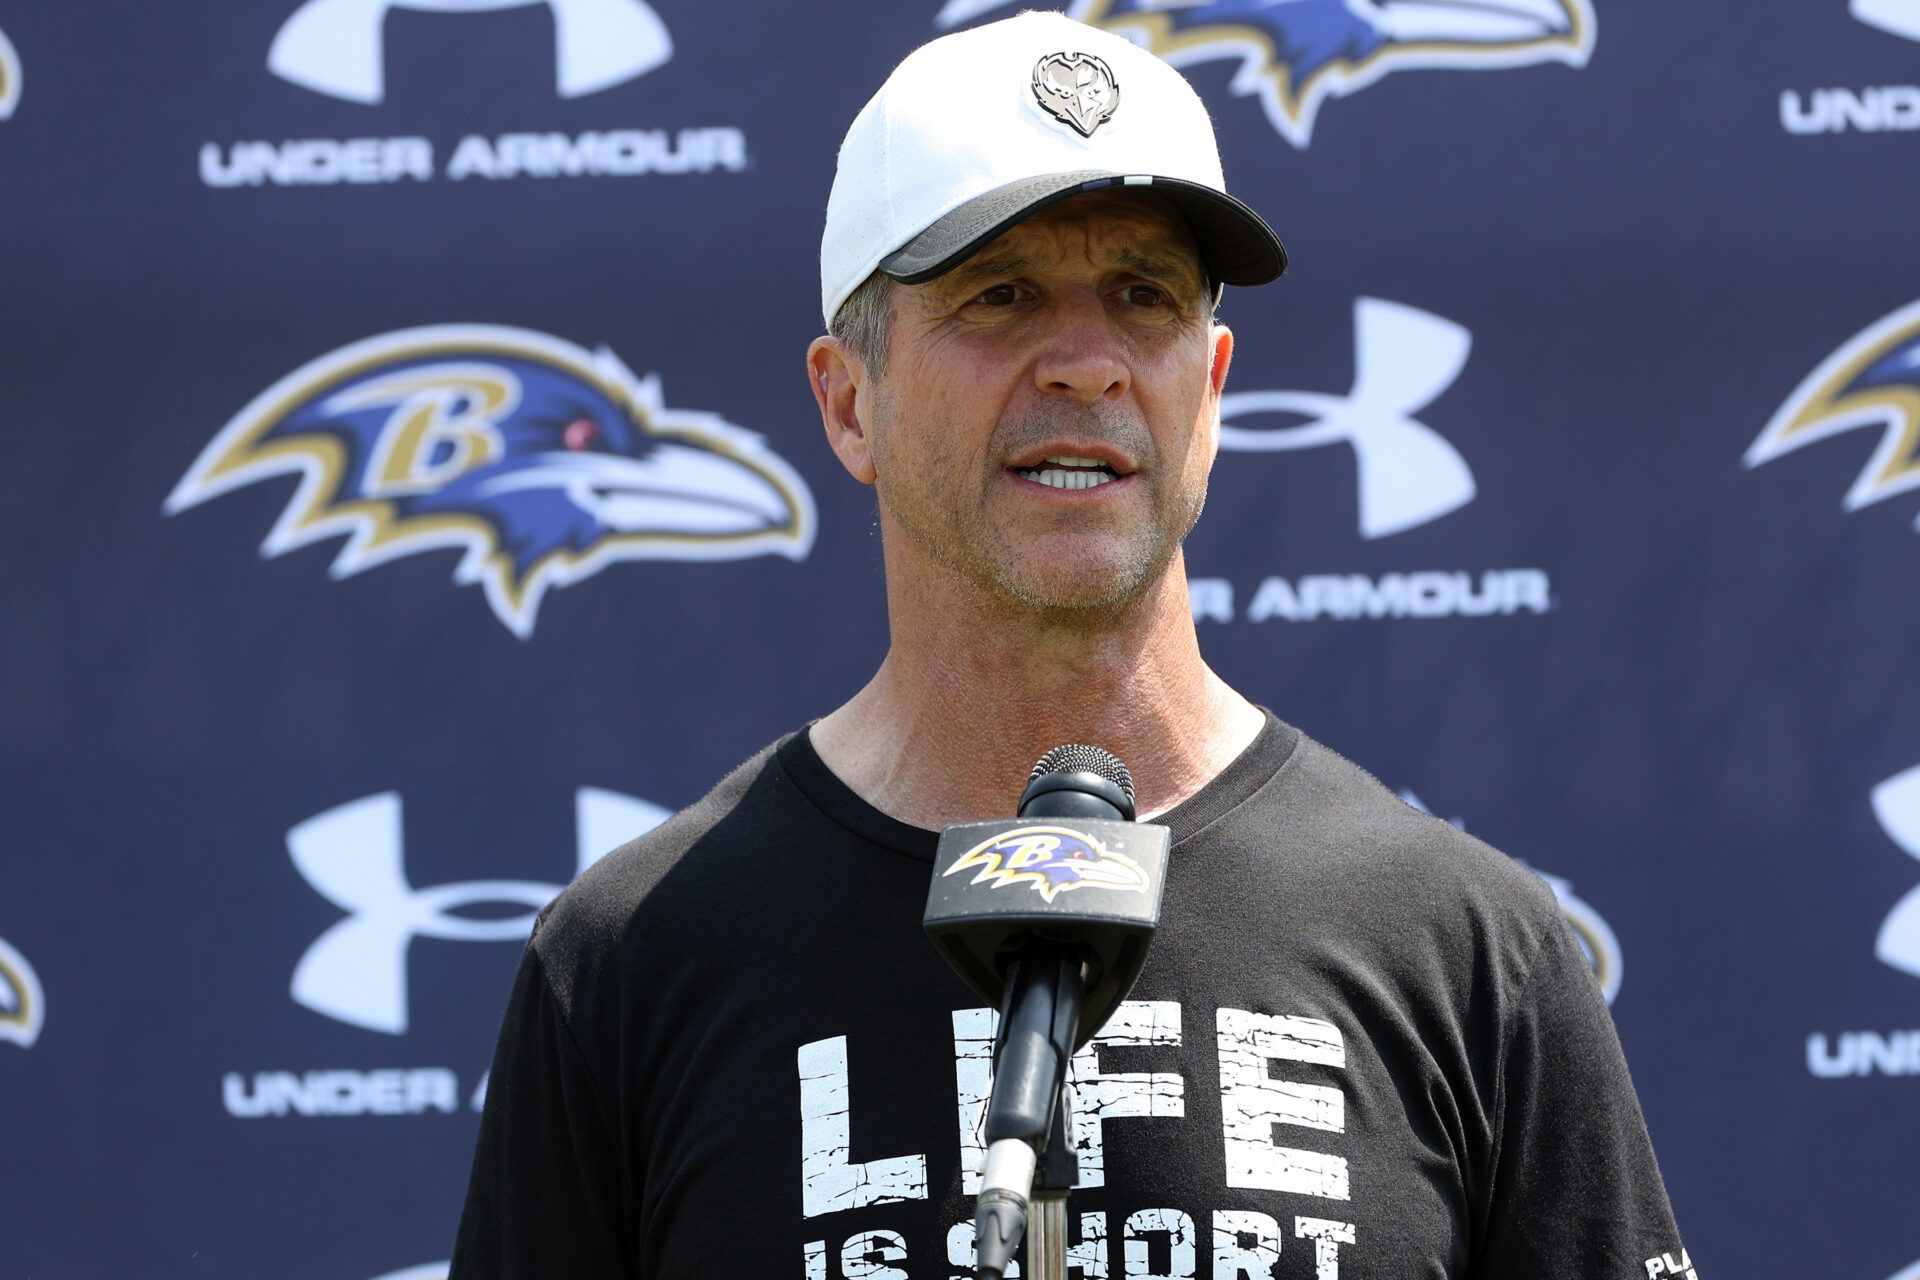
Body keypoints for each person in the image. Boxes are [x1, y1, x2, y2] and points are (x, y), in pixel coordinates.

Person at [451, 12, 1692, 1278]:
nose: (1090, 364)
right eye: (1002, 294)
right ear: (847, 400)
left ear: (1209, 389)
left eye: (1143, 296)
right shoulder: (635, 960)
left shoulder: (1466, 945)